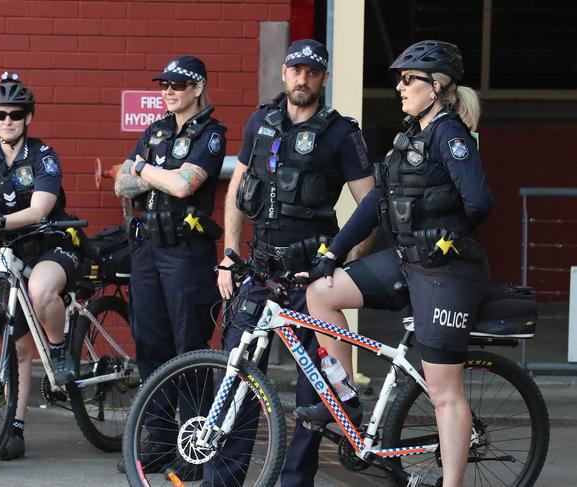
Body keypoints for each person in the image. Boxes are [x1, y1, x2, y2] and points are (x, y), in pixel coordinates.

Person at [298, 40, 494, 486]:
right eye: (399, 79)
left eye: (409, 79)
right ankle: (345, 398)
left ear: (437, 86)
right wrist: (331, 254)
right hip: (406, 262)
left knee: (444, 391)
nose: (400, 87)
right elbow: (373, 205)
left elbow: (480, 201)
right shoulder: (410, 138)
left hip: (448, 271)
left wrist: (445, 234)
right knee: (321, 294)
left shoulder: (451, 135)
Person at [207, 39, 375, 487]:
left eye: (313, 72)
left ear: (323, 78)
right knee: (237, 377)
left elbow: (369, 207)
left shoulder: (342, 133)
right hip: (259, 272)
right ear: (284, 73)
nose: (303, 78)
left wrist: (343, 263)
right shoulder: (259, 122)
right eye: (296, 70)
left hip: (310, 277)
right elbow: (237, 193)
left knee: (311, 390)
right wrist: (229, 256)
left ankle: (295, 482)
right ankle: (222, 480)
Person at [0, 72, 81, 459]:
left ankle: (58, 349)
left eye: (16, 114)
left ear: (28, 118)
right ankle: (15, 430)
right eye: (0, 113)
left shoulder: (43, 156)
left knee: (40, 291)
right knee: (19, 349)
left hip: (51, 246)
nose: (8, 120)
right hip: (8, 256)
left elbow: (39, 209)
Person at [114, 55, 226, 477]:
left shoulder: (211, 134)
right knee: (151, 345)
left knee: (190, 348)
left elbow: (186, 185)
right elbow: (121, 182)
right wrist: (150, 172)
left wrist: (144, 168)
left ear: (198, 88)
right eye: (164, 85)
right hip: (146, 250)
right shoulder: (155, 130)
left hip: (185, 253)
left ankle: (195, 447)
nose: (168, 91)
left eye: (178, 85)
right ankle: (159, 442)